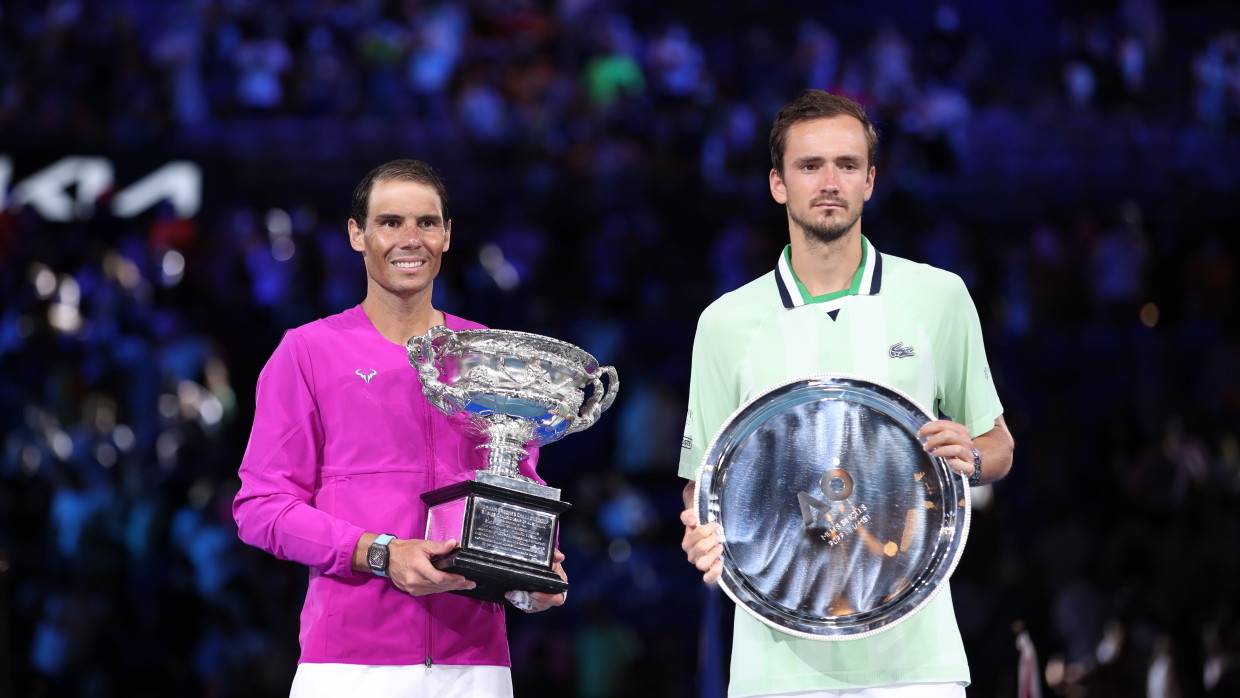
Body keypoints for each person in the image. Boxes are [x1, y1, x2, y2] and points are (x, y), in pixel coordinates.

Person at [678, 90, 1015, 697]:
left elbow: (999, 446)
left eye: (847, 165)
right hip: (774, 662)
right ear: (778, 183)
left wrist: (972, 455)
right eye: (810, 166)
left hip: (916, 659)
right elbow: (704, 479)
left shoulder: (937, 297)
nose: (829, 182)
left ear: (870, 181)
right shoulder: (725, 322)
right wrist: (699, 529)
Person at [233, 159, 566, 698]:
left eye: (427, 223)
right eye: (390, 222)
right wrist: (382, 552)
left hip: (476, 667)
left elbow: (517, 490)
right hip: (348, 667)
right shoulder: (308, 352)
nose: (410, 239)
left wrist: (531, 573)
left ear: (448, 235)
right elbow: (261, 508)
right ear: (356, 234)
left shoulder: (489, 354)